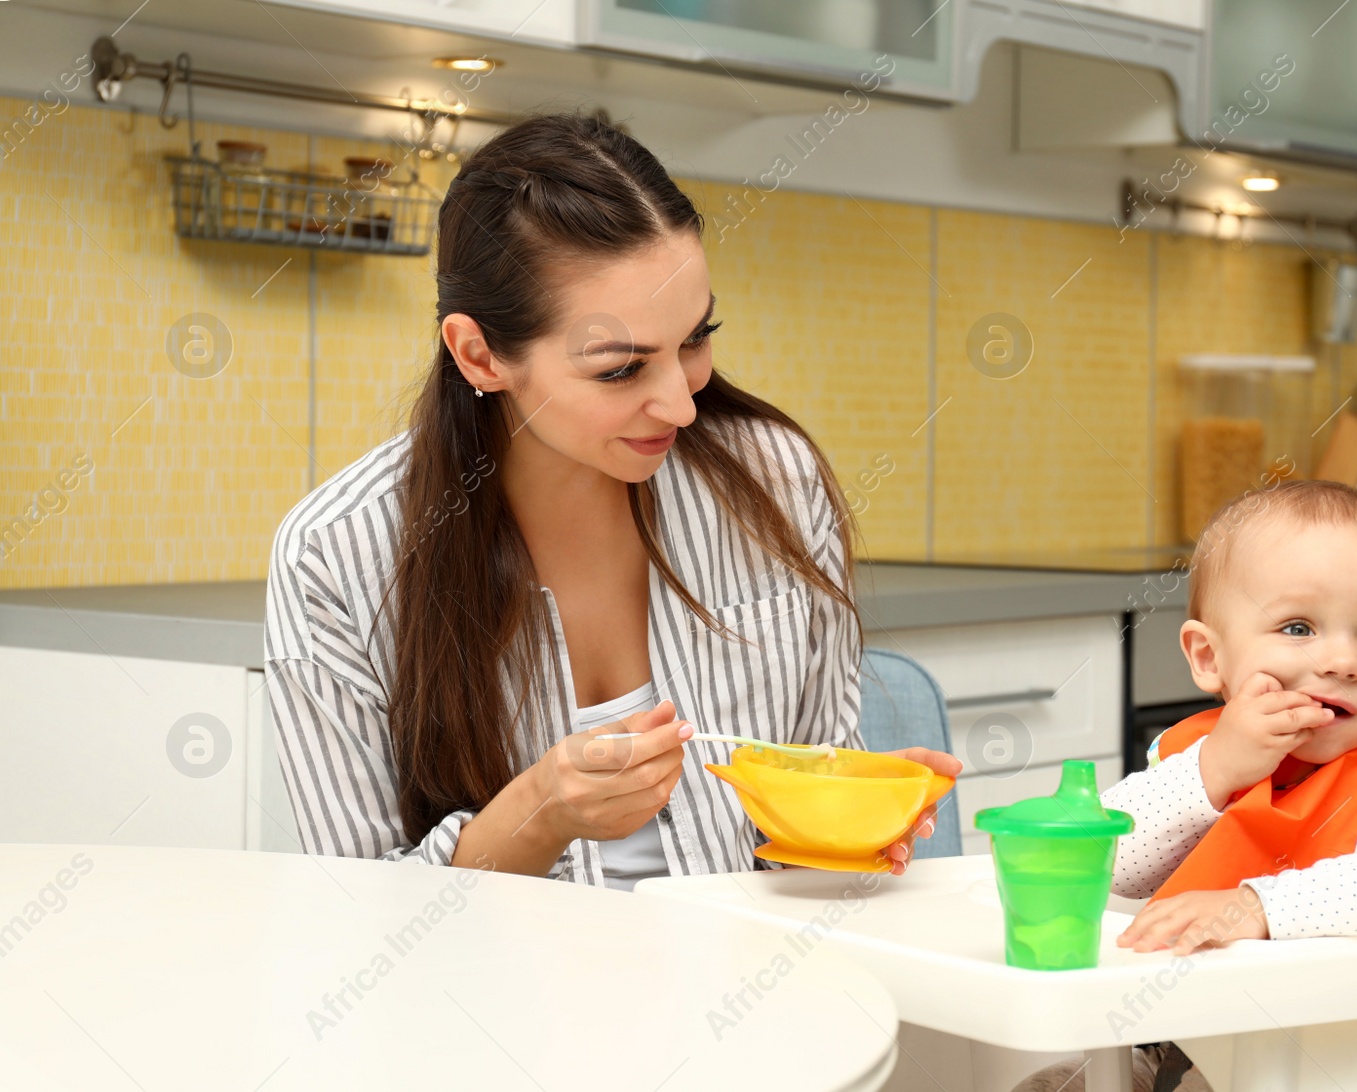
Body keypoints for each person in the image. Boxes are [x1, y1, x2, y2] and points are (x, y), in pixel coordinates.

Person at [264, 111, 959, 891]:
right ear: (480, 354)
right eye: (621, 370)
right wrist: (541, 808)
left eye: (695, 339)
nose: (683, 406)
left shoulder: (777, 484)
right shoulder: (335, 556)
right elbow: (359, 913)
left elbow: (802, 857)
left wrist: (847, 820)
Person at [1017, 479, 1357, 1092]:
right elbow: (1103, 862)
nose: (1344, 661)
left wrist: (1255, 908)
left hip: (1318, 1058)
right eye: (1299, 627)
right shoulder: (1198, 756)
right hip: (1168, 1039)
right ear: (1209, 658)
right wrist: (1212, 773)